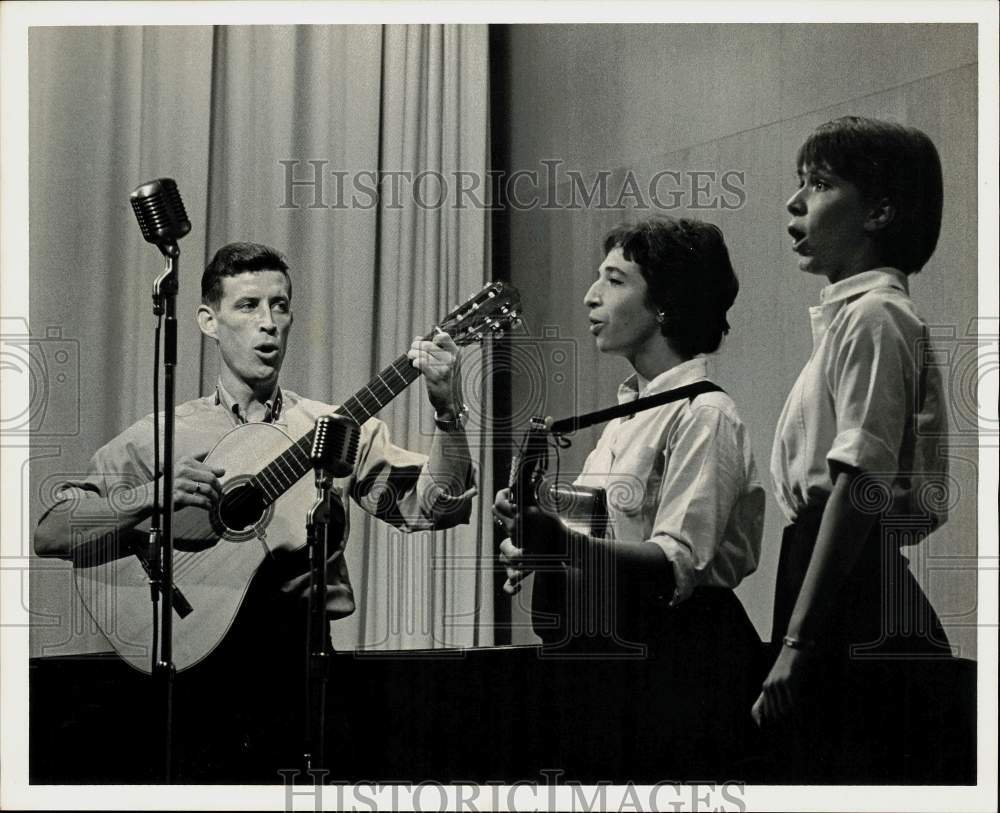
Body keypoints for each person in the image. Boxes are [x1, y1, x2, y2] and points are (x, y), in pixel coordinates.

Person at [34, 241, 475, 781]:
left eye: (280, 305)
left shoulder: (333, 428)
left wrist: (447, 408)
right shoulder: (163, 435)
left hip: (303, 676)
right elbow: (53, 533)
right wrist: (148, 497)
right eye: (248, 306)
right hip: (191, 678)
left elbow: (436, 506)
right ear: (209, 320)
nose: (268, 323)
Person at [493, 217, 764, 774]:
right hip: (616, 668)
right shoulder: (626, 416)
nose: (591, 296)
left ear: (665, 303)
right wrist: (542, 538)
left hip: (682, 670)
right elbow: (602, 537)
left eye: (615, 281)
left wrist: (561, 545)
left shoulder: (705, 415)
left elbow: (672, 565)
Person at [755, 116, 952, 780]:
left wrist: (796, 642)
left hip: (849, 585)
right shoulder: (853, 318)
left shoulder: (876, 316)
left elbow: (861, 485)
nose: (795, 201)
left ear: (881, 211)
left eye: (819, 183)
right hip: (830, 569)